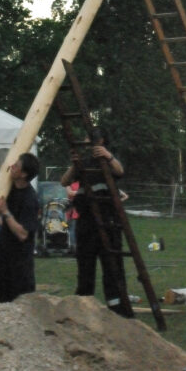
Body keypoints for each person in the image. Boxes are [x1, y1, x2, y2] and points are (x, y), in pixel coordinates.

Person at [61, 127, 131, 317]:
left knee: (112, 267)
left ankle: (118, 310)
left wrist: (108, 156)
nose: (86, 142)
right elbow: (64, 181)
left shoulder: (108, 161)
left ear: (101, 142)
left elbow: (120, 170)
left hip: (108, 222)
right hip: (86, 223)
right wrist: (74, 164)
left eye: (90, 139)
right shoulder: (84, 164)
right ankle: (83, 308)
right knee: (85, 266)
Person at [0, 154, 41, 303]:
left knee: (22, 303)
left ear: (24, 174)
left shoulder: (30, 199)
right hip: (3, 255)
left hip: (20, 261)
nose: (12, 167)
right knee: (4, 300)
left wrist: (5, 211)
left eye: (16, 166)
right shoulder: (8, 188)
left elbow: (23, 234)